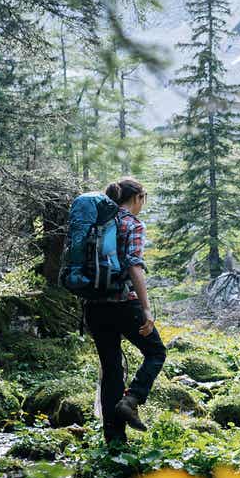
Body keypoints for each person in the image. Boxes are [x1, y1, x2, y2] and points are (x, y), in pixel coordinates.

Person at [85, 177, 166, 444]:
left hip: (94, 306)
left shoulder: (96, 223)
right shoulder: (132, 224)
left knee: (111, 370)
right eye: (144, 199)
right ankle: (131, 400)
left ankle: (115, 442)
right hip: (123, 303)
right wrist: (146, 309)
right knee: (155, 352)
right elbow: (134, 267)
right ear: (137, 198)